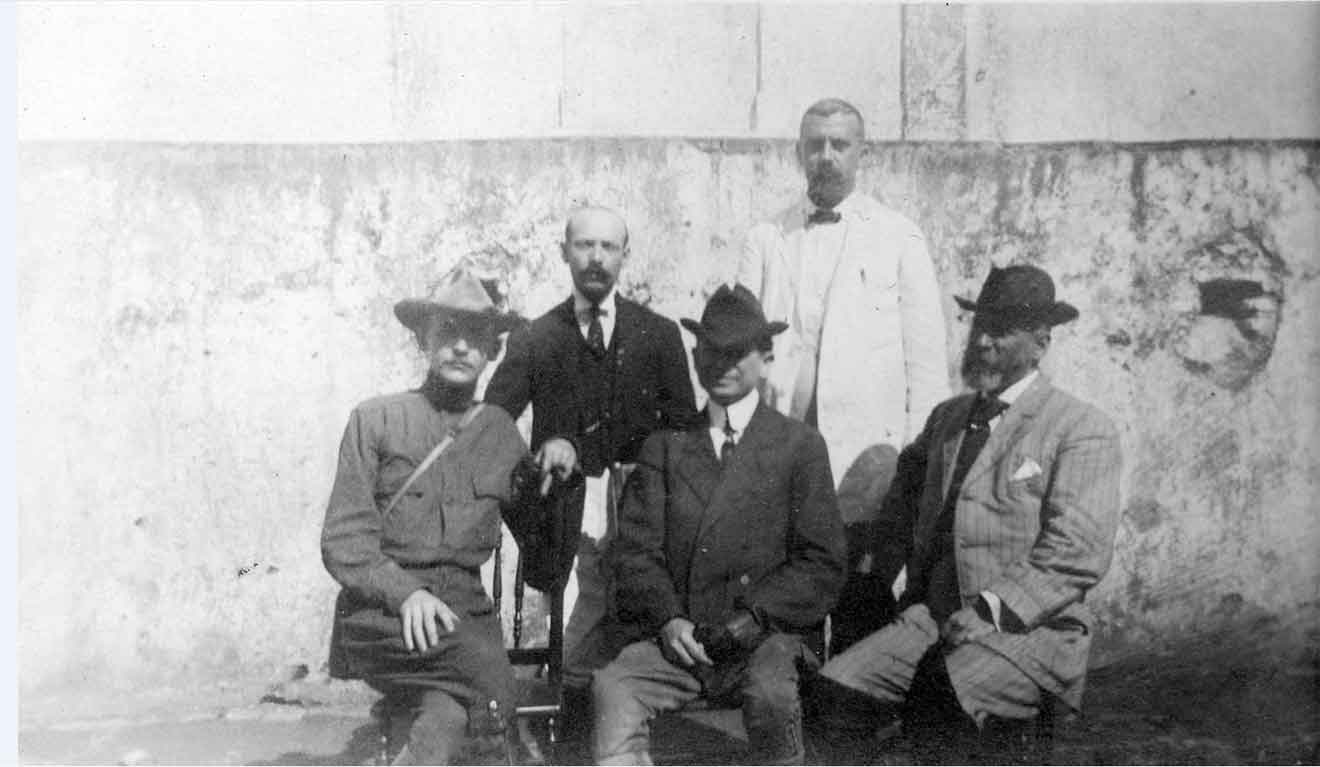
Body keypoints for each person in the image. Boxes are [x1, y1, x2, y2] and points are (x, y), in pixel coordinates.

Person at [806, 264, 1123, 762]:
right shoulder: (947, 419)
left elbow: (1077, 551)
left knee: (939, 700)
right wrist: (892, 589)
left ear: (1041, 343)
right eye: (979, 327)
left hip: (1029, 633)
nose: (982, 342)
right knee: (832, 695)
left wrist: (989, 612)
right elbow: (902, 507)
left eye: (1001, 331)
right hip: (934, 622)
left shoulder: (1080, 428)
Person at [321, 268, 578, 765]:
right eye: (447, 332)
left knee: (448, 715)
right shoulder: (375, 419)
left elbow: (544, 560)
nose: (461, 347)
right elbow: (343, 540)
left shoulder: (499, 431)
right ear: (423, 340)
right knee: (495, 690)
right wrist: (405, 593)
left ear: (492, 351)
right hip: (383, 614)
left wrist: (559, 472)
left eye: (476, 336)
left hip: (465, 615)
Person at [592, 284, 846, 766]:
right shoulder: (665, 446)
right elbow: (635, 553)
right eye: (712, 350)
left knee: (771, 695)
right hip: (685, 642)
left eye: (738, 352)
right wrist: (670, 620)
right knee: (613, 687)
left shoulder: (799, 447)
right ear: (695, 357)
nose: (723, 363)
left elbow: (822, 564)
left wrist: (752, 619)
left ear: (766, 360)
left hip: (770, 639)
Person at [485, 205, 698, 687]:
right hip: (566, 513)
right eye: (584, 245)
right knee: (568, 634)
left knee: (633, 629)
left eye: (608, 246)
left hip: (640, 513)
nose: (596, 257)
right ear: (564, 252)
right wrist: (541, 456)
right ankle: (565, 711)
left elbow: (684, 431)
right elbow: (492, 425)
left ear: (625, 255)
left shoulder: (658, 335)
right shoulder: (535, 337)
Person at [736, 97, 949, 509]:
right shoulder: (764, 238)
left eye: (840, 145)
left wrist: (916, 461)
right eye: (815, 145)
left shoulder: (899, 237)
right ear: (798, 152)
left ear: (862, 154)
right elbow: (738, 348)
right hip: (779, 447)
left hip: (868, 458)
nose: (826, 156)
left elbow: (926, 365)